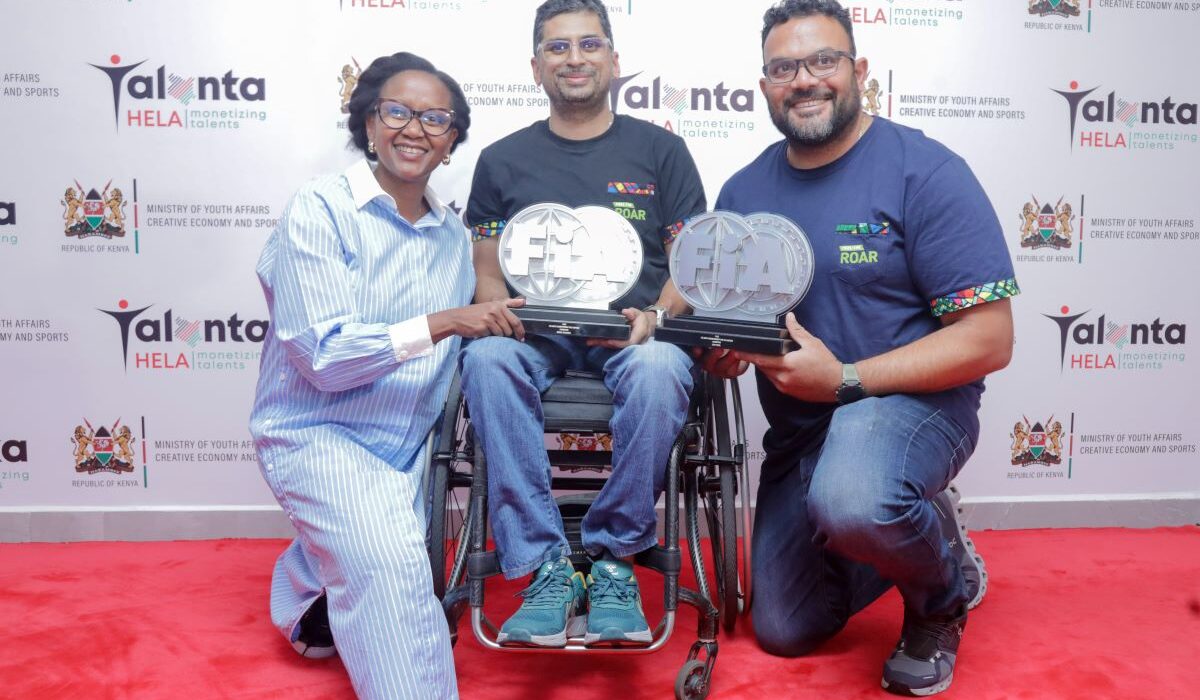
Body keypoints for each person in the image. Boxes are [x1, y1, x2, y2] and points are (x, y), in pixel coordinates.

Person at [704, 1, 1017, 695]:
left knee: (855, 498)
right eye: (784, 67)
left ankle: (940, 600)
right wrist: (724, 351)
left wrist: (846, 379)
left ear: (860, 70)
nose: (804, 80)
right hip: (804, 431)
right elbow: (734, 322)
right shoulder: (743, 191)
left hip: (912, 407)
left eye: (824, 61)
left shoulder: (925, 171)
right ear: (764, 85)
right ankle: (911, 520)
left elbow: (991, 338)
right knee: (785, 628)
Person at [249, 52, 525, 699]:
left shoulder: (453, 238)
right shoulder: (320, 209)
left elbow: (484, 327)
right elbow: (322, 357)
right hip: (319, 434)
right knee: (392, 562)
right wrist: (446, 321)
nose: (415, 129)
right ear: (369, 123)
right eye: (397, 112)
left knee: (380, 541)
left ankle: (310, 603)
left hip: (410, 448)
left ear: (452, 141)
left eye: (436, 119)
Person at [459, 0, 706, 647]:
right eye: (558, 46)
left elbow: (689, 265)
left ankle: (614, 557)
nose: (574, 58)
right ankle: (545, 566)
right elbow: (487, 267)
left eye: (589, 45)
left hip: (633, 335)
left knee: (662, 367)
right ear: (536, 65)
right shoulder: (501, 159)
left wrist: (657, 317)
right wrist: (499, 314)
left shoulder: (662, 151)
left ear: (614, 61)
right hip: (535, 336)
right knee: (484, 359)